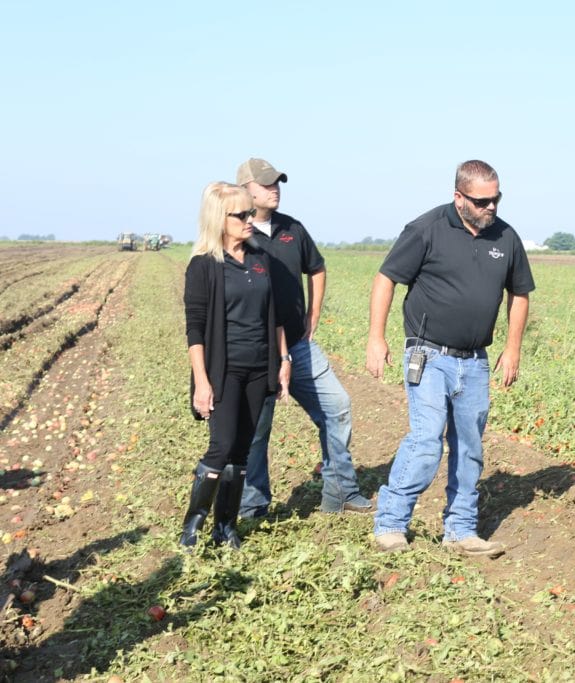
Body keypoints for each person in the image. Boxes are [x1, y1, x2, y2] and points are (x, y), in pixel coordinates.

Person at [366, 160, 535, 557]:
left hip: (475, 361)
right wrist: (376, 337)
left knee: (470, 447)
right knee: (427, 441)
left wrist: (512, 348)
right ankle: (391, 522)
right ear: (458, 197)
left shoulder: (506, 237)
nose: (490, 207)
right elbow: (386, 278)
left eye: (496, 199)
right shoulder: (426, 229)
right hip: (427, 354)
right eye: (481, 201)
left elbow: (521, 294)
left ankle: (460, 530)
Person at [235, 158, 372, 518]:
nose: (275, 189)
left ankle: (340, 490)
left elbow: (317, 268)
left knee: (337, 407)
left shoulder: (292, 229)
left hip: (297, 344)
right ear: (246, 189)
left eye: (277, 182)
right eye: (266, 184)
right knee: (256, 431)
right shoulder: (236, 235)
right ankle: (253, 509)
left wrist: (313, 315)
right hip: (257, 352)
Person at [181, 182, 290, 548]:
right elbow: (195, 330)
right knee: (222, 445)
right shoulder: (204, 266)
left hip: (260, 366)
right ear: (219, 219)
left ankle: (225, 527)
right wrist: (202, 381)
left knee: (242, 450)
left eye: (250, 213)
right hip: (224, 370)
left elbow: (273, 316)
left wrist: (283, 358)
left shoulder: (260, 261)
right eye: (241, 215)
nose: (250, 220)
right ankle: (192, 527)